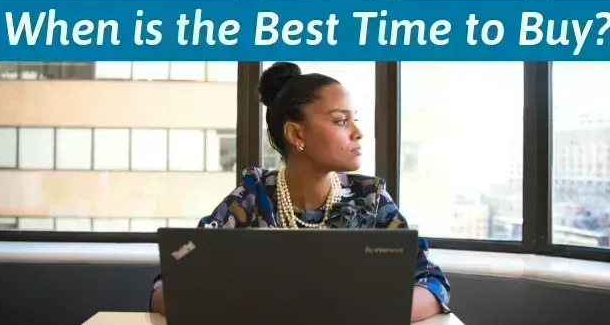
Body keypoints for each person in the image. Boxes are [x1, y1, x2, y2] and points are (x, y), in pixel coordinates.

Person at [149, 62, 451, 322]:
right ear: (296, 133)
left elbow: (432, 282)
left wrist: (364, 313)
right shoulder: (251, 197)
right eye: (340, 121)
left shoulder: (371, 198)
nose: (357, 132)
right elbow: (167, 286)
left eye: (353, 119)